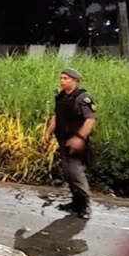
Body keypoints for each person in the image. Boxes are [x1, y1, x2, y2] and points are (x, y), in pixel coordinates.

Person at [43, 68, 97, 219]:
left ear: (75, 80)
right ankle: (76, 203)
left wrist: (79, 137)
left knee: (76, 173)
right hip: (63, 141)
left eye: (66, 78)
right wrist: (48, 132)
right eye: (61, 78)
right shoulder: (60, 97)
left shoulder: (82, 98)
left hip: (77, 142)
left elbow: (90, 119)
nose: (62, 81)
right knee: (68, 173)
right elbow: (56, 116)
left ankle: (85, 205)